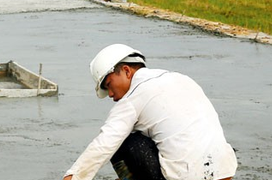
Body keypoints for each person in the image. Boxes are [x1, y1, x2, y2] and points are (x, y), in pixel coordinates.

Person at [64, 44, 237, 180]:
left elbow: (103, 145)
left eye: (109, 85)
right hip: (223, 171)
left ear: (126, 70)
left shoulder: (133, 97)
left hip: (186, 177)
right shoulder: (180, 78)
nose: (111, 95)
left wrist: (73, 177)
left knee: (124, 143)